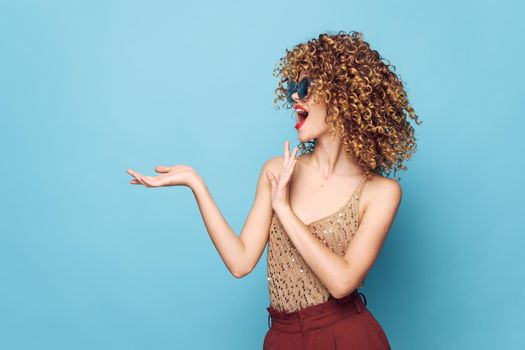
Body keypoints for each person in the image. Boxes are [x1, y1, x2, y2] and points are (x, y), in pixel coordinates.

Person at [127, 30, 421, 349]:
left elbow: (341, 283)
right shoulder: (276, 171)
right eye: (293, 88)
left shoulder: (380, 192)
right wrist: (196, 183)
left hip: (348, 337)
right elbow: (240, 263)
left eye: (305, 88)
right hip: (283, 338)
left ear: (341, 98)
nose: (295, 96)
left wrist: (284, 209)